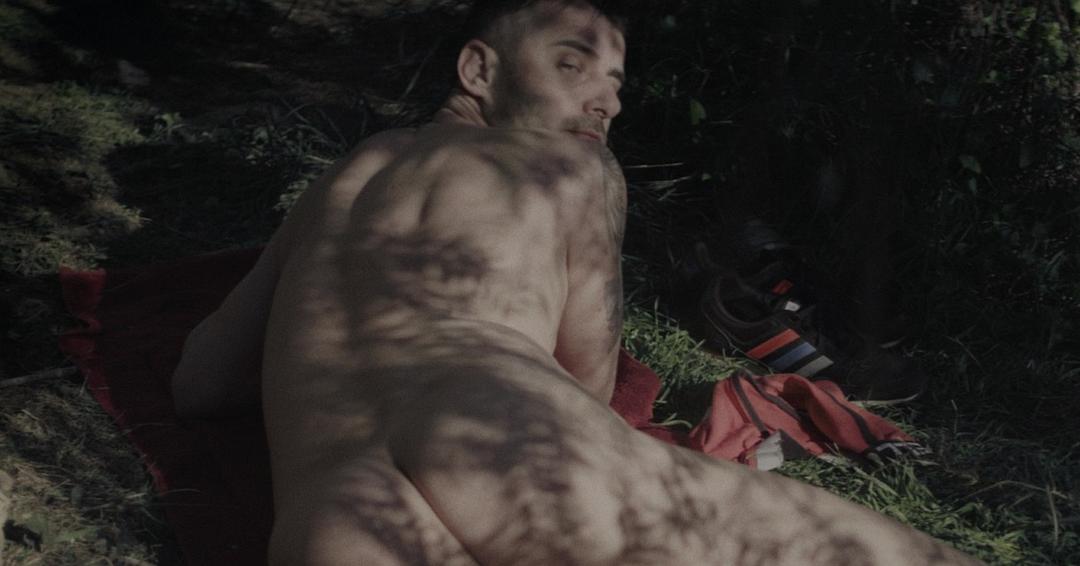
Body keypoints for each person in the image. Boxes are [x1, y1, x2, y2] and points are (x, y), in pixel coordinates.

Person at [171, 1, 981, 564]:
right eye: (573, 65)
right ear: (478, 68)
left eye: (617, 81)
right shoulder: (569, 164)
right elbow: (588, 375)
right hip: (495, 433)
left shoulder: (348, 174)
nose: (606, 102)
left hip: (330, 519)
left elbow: (200, 381)